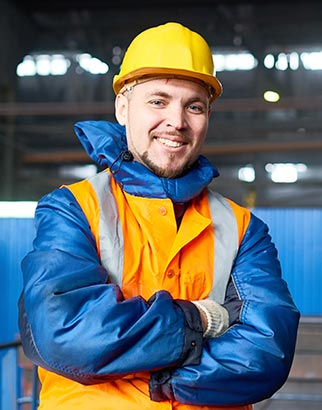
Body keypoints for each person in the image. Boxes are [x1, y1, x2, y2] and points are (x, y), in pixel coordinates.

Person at [18, 22, 300, 410]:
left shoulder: (243, 229)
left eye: (194, 106)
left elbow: (266, 354)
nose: (177, 121)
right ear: (122, 107)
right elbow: (69, 334)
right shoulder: (72, 209)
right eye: (158, 101)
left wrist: (152, 374)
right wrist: (198, 321)